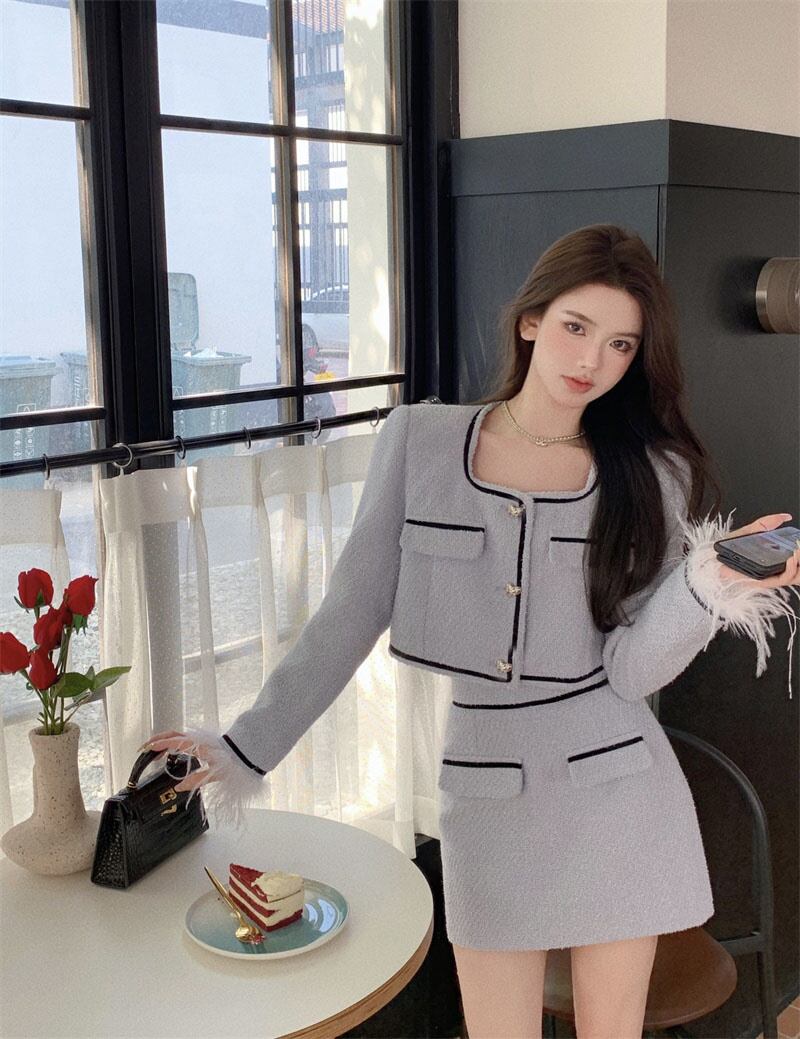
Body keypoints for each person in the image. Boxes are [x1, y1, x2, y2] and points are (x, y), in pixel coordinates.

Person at [140, 224, 799, 1039]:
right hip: (487, 794)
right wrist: (244, 747)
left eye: (621, 344)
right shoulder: (421, 442)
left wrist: (711, 585)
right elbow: (350, 612)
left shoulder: (651, 474)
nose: (592, 360)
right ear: (531, 320)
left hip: (622, 793)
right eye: (576, 327)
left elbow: (633, 671)